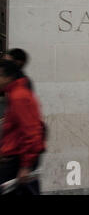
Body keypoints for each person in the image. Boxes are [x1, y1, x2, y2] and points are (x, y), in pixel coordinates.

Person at [0, 60, 46, 195]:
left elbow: (31, 132)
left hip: (17, 159)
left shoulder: (19, 96)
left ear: (9, 77)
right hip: (15, 157)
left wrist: (26, 165)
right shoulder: (15, 94)